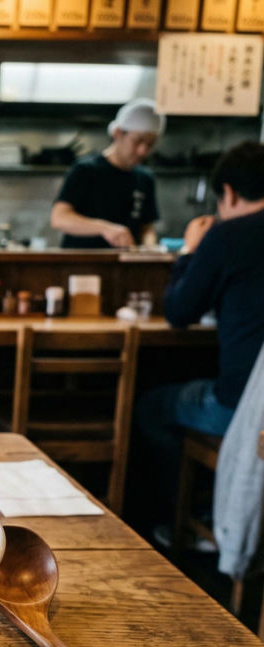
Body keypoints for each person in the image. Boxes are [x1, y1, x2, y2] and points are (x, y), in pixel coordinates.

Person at [133, 141, 264, 533]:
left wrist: (190, 249)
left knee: (153, 407)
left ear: (229, 193)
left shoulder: (227, 236)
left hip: (243, 410)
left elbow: (179, 312)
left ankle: (185, 521)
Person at [51, 99, 164, 249]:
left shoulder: (145, 178)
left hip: (126, 267)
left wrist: (150, 247)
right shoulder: (86, 170)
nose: (142, 151)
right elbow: (59, 218)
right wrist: (105, 228)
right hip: (81, 264)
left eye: (150, 144)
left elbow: (146, 227)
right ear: (118, 133)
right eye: (137, 141)